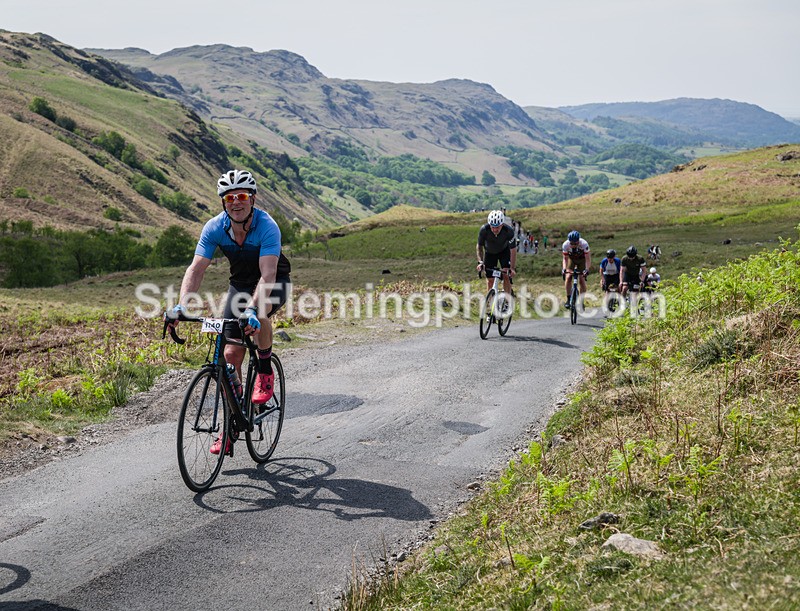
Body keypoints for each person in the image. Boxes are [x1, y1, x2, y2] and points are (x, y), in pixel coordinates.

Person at [166, 169, 291, 455]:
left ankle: (264, 369)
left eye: (242, 196)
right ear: (224, 202)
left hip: (273, 281)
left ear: (253, 199)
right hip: (240, 285)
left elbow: (268, 274)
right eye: (230, 197)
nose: (236, 202)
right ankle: (231, 427)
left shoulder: (267, 226)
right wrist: (182, 306)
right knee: (229, 359)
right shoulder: (214, 228)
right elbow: (196, 269)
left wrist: (251, 308)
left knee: (258, 316)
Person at [476, 209, 517, 297]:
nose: (494, 229)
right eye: (492, 227)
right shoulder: (484, 230)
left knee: (506, 276)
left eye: (497, 227)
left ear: (502, 224)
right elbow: (479, 247)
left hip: (504, 252)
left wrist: (512, 268)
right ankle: (490, 305)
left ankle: (507, 301)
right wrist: (480, 262)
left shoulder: (508, 231)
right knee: (490, 280)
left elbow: (513, 250)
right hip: (489, 253)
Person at [561, 230, 591, 308]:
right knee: (568, 277)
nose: (573, 245)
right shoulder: (565, 245)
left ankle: (581, 301)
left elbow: (588, 259)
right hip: (572, 259)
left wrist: (587, 269)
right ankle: (568, 299)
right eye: (572, 243)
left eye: (576, 243)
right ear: (569, 241)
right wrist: (564, 269)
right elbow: (565, 258)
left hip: (582, 260)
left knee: (582, 280)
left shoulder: (584, 244)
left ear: (578, 241)